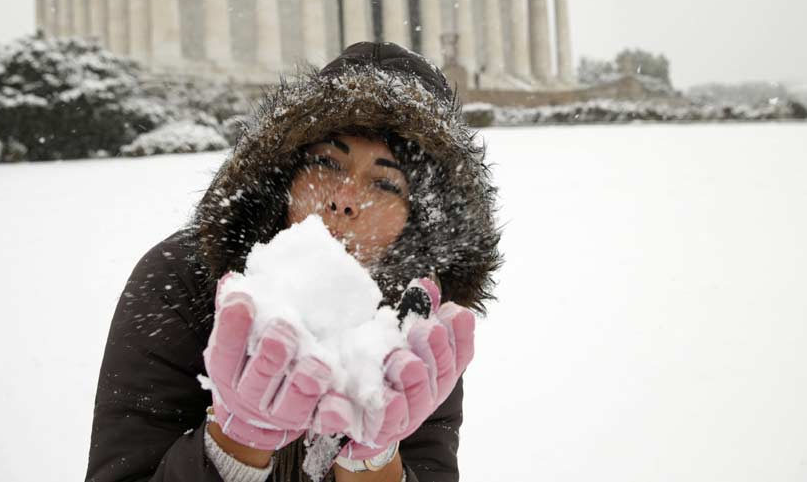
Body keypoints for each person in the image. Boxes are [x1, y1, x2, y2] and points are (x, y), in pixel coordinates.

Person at [84, 41, 503, 482]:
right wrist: (234, 445)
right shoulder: (181, 279)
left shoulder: (421, 327)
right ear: (285, 172)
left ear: (418, 220)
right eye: (326, 163)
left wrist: (374, 462)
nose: (344, 199)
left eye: (384, 183)